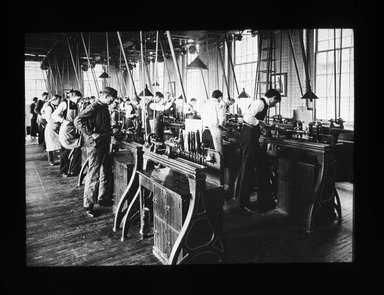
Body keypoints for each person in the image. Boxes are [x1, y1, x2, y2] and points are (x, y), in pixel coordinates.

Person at [235, 89, 281, 213]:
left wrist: (265, 126)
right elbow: (247, 117)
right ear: (273, 98)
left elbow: (256, 120)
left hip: (252, 138)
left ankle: (265, 201)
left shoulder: (263, 104)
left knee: (262, 166)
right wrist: (260, 123)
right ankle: (243, 204)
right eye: (276, 102)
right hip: (249, 138)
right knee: (247, 170)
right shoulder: (260, 103)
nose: (275, 104)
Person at [74, 87, 118, 217]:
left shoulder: (104, 106)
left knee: (105, 170)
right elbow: (77, 120)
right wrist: (91, 133)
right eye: (112, 98)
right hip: (95, 146)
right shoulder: (94, 107)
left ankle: (103, 198)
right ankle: (88, 205)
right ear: (106, 96)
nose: (113, 101)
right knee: (93, 174)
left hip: (104, 143)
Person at [52, 90, 83, 177]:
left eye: (79, 99)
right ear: (73, 96)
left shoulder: (77, 105)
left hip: (73, 130)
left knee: (78, 149)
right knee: (65, 152)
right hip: (65, 130)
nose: (79, 101)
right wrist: (63, 121)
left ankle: (74, 170)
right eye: (78, 99)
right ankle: (63, 171)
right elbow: (54, 115)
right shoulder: (65, 103)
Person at [200, 90, 226, 155]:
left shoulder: (204, 105)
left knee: (205, 152)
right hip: (214, 130)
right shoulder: (219, 105)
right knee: (217, 152)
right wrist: (221, 125)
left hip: (205, 130)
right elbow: (222, 119)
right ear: (220, 98)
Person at [42, 94, 62, 165]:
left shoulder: (57, 106)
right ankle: (51, 160)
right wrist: (58, 120)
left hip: (56, 126)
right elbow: (48, 119)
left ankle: (60, 157)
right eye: (59, 100)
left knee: (59, 143)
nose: (59, 102)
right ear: (55, 99)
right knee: (50, 144)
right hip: (50, 127)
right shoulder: (48, 108)